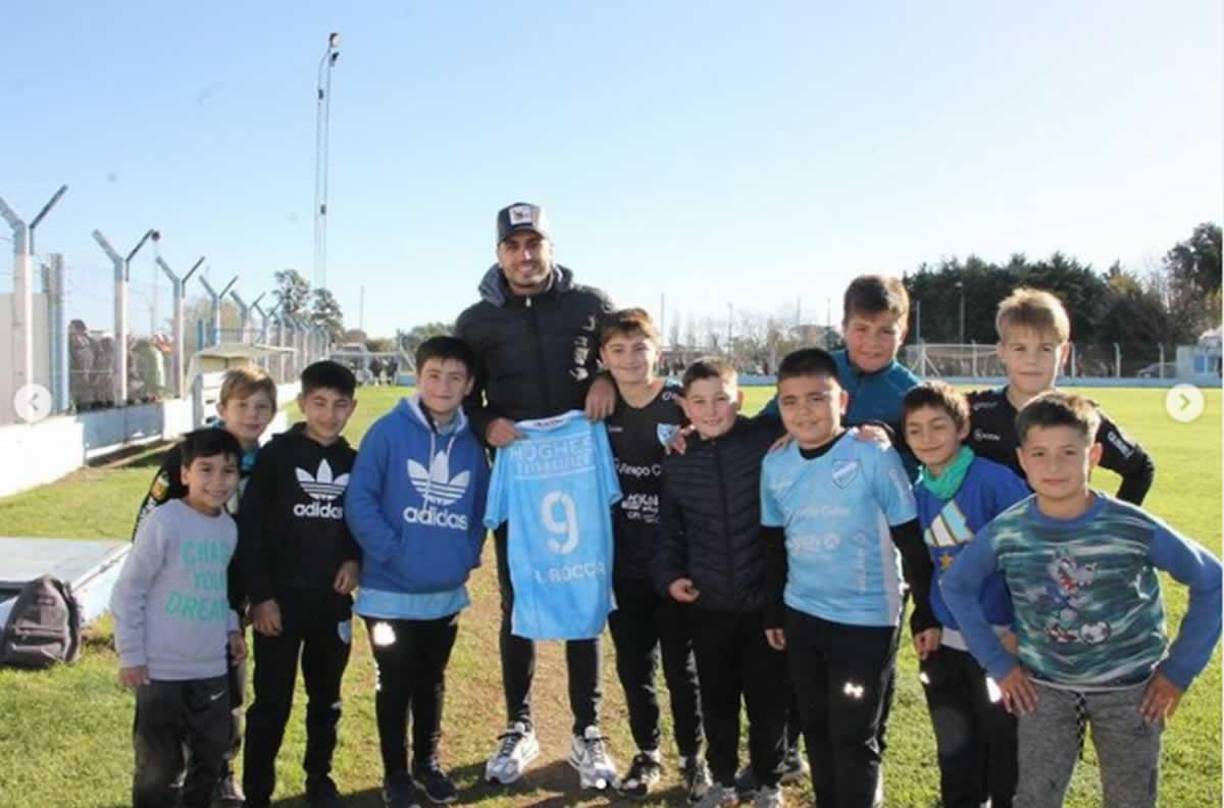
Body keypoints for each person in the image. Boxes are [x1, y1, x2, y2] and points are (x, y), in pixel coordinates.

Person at [941, 391, 1222, 807]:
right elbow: (957, 586)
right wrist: (999, 664)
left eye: (1068, 453)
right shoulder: (1009, 530)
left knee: (1130, 800)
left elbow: (1213, 580)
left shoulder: (1131, 526)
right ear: (1022, 459)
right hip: (1044, 689)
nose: (1053, 466)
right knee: (1035, 798)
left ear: (1094, 456)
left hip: (1131, 690)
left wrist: (1178, 671)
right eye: (1039, 454)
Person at [454, 201, 619, 789]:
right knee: (518, 597)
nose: (525, 256)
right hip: (521, 478)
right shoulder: (475, 321)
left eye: (534, 244)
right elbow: (463, 394)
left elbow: (627, 354)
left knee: (583, 586)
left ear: (550, 247)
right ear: (499, 254)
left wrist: (605, 378)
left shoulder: (589, 304)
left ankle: (587, 729)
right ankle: (519, 724)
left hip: (579, 473)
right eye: (513, 246)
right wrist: (486, 424)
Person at [759, 348, 936, 808]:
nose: (804, 412)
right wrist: (775, 610)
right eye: (791, 401)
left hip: (866, 619)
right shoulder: (775, 463)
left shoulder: (873, 454)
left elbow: (910, 539)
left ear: (843, 402)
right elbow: (774, 545)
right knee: (816, 726)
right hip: (802, 614)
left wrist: (926, 612)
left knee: (853, 734)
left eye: (817, 398)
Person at [345, 336, 490, 808]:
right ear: (418, 376)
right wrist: (393, 552)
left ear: (469, 385)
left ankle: (428, 763)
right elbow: (360, 499)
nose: (443, 386)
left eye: (454, 378)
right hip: (388, 592)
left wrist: (466, 554)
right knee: (395, 682)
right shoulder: (387, 432)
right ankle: (396, 773)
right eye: (434, 375)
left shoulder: (472, 444)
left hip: (443, 594)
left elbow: (480, 507)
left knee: (432, 679)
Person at [130, 364, 277, 808]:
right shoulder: (190, 454)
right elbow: (149, 522)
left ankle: (220, 774)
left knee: (227, 691)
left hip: (229, 602)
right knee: (168, 703)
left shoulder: (269, 462)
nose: (252, 415)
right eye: (242, 405)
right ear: (222, 407)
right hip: (178, 601)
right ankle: (165, 782)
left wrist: (254, 595)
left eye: (262, 407)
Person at [655, 357, 789, 808]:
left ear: (740, 399)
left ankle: (769, 782)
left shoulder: (764, 439)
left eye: (721, 399)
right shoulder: (678, 458)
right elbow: (669, 530)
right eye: (699, 402)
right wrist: (671, 576)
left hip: (763, 605)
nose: (711, 411)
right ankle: (725, 780)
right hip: (709, 606)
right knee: (717, 701)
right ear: (685, 406)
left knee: (768, 701)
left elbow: (818, 418)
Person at [238, 361, 362, 808]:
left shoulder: (354, 462)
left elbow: (362, 520)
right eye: (320, 403)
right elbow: (251, 531)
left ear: (352, 407)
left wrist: (355, 558)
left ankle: (319, 778)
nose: (329, 414)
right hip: (280, 604)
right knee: (271, 702)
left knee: (326, 699)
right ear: (302, 403)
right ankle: (257, 791)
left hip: (331, 604)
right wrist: (262, 597)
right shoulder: (276, 457)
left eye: (340, 405)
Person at [902, 381, 1030, 807]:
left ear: (962, 428)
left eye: (938, 426)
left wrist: (1019, 631)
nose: (927, 438)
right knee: (956, 756)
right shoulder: (919, 492)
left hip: (1000, 643)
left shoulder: (995, 482)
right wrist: (927, 618)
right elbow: (924, 566)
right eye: (915, 430)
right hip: (948, 647)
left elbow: (1031, 559)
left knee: (1005, 753)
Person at [600, 309, 711, 802]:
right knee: (633, 665)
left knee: (681, 667)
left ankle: (693, 756)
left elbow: (725, 428)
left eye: (639, 348)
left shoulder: (681, 402)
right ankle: (647, 751)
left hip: (676, 561)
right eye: (618, 350)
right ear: (603, 357)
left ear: (658, 353)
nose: (629, 359)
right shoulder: (598, 405)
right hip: (621, 561)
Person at [110, 428, 247, 808]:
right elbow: (128, 591)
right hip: (162, 672)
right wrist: (131, 654)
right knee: (159, 766)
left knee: (210, 755)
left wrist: (231, 628)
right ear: (185, 474)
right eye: (206, 469)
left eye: (228, 471)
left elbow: (216, 589)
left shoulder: (227, 528)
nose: (218, 481)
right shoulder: (165, 521)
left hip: (210, 668)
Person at [968, 287, 1154, 504]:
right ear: (1002, 352)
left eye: (1045, 349)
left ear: (1064, 353)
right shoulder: (973, 413)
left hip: (1062, 527)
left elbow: (1140, 468)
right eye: (1019, 348)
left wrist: (1113, 522)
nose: (1032, 359)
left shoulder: (1081, 417)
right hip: (991, 527)